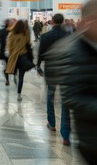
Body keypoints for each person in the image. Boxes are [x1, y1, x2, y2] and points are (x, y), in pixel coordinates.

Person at [44, 0, 97, 164]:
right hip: (92, 141)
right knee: (63, 106)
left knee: (52, 100)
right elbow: (72, 98)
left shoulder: (50, 38)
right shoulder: (73, 49)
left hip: (50, 74)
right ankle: (64, 133)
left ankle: (60, 130)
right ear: (88, 21)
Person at [37, 13, 71, 145]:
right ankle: (66, 134)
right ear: (62, 22)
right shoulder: (68, 35)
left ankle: (51, 123)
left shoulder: (45, 36)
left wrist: (38, 66)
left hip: (51, 69)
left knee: (50, 96)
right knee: (65, 100)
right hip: (66, 70)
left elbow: (41, 53)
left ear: (52, 22)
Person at [6, 20, 31, 102]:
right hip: (23, 57)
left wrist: (11, 54)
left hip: (14, 56)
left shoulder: (11, 34)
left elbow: (9, 47)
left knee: (14, 71)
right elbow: (28, 43)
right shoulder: (25, 33)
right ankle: (19, 95)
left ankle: (14, 79)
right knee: (21, 77)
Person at [0, 19, 15, 86]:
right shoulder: (13, 31)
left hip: (5, 51)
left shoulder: (2, 31)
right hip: (11, 52)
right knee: (12, 65)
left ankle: (7, 79)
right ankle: (12, 75)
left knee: (7, 65)